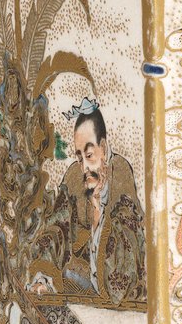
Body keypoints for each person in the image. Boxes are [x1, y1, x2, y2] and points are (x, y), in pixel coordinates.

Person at [61, 101, 146, 303]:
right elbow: (57, 226)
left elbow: (128, 246)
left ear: (104, 148)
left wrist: (98, 212)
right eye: (79, 157)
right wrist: (43, 278)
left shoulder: (120, 172)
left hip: (116, 293)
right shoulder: (74, 176)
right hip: (83, 286)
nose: (84, 167)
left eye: (90, 155)